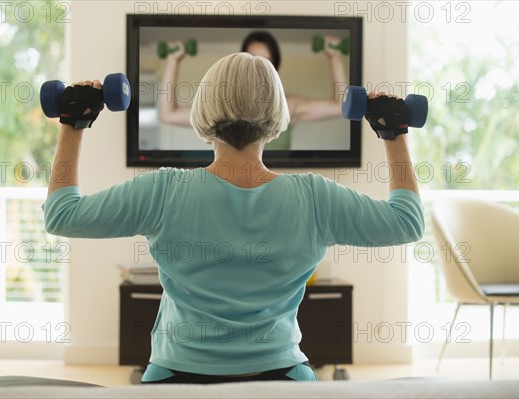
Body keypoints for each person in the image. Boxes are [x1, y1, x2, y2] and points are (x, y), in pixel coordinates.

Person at [43, 52, 424, 384]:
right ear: (277, 112)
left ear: (204, 108)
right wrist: (393, 133)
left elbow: (62, 215)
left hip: (175, 378)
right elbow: (407, 222)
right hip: (283, 377)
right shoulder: (315, 196)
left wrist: (73, 123)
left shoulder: (162, 190)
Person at [158, 31, 347, 149]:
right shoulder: (224, 104)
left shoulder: (288, 105)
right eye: (252, 59)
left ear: (274, 68)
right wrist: (172, 61)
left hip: (275, 189)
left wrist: (335, 58)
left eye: (265, 62)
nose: (257, 68)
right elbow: (169, 115)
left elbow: (342, 106)